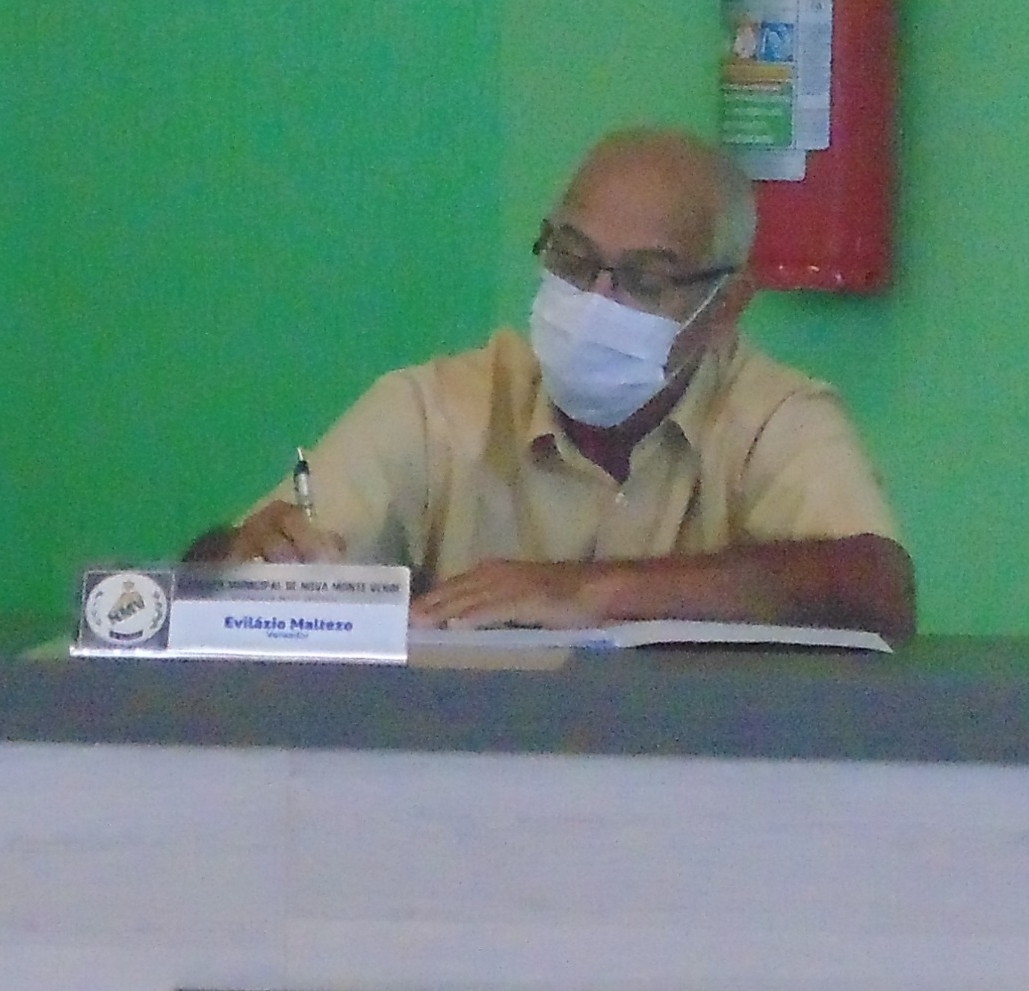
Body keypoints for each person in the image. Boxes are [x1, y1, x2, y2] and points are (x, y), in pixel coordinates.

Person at [202, 126, 916, 641]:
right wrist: (245, 560)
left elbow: (874, 584)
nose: (596, 301)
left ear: (724, 308)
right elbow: (208, 585)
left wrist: (591, 594)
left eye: (644, 280)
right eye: (572, 260)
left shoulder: (772, 417)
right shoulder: (438, 411)